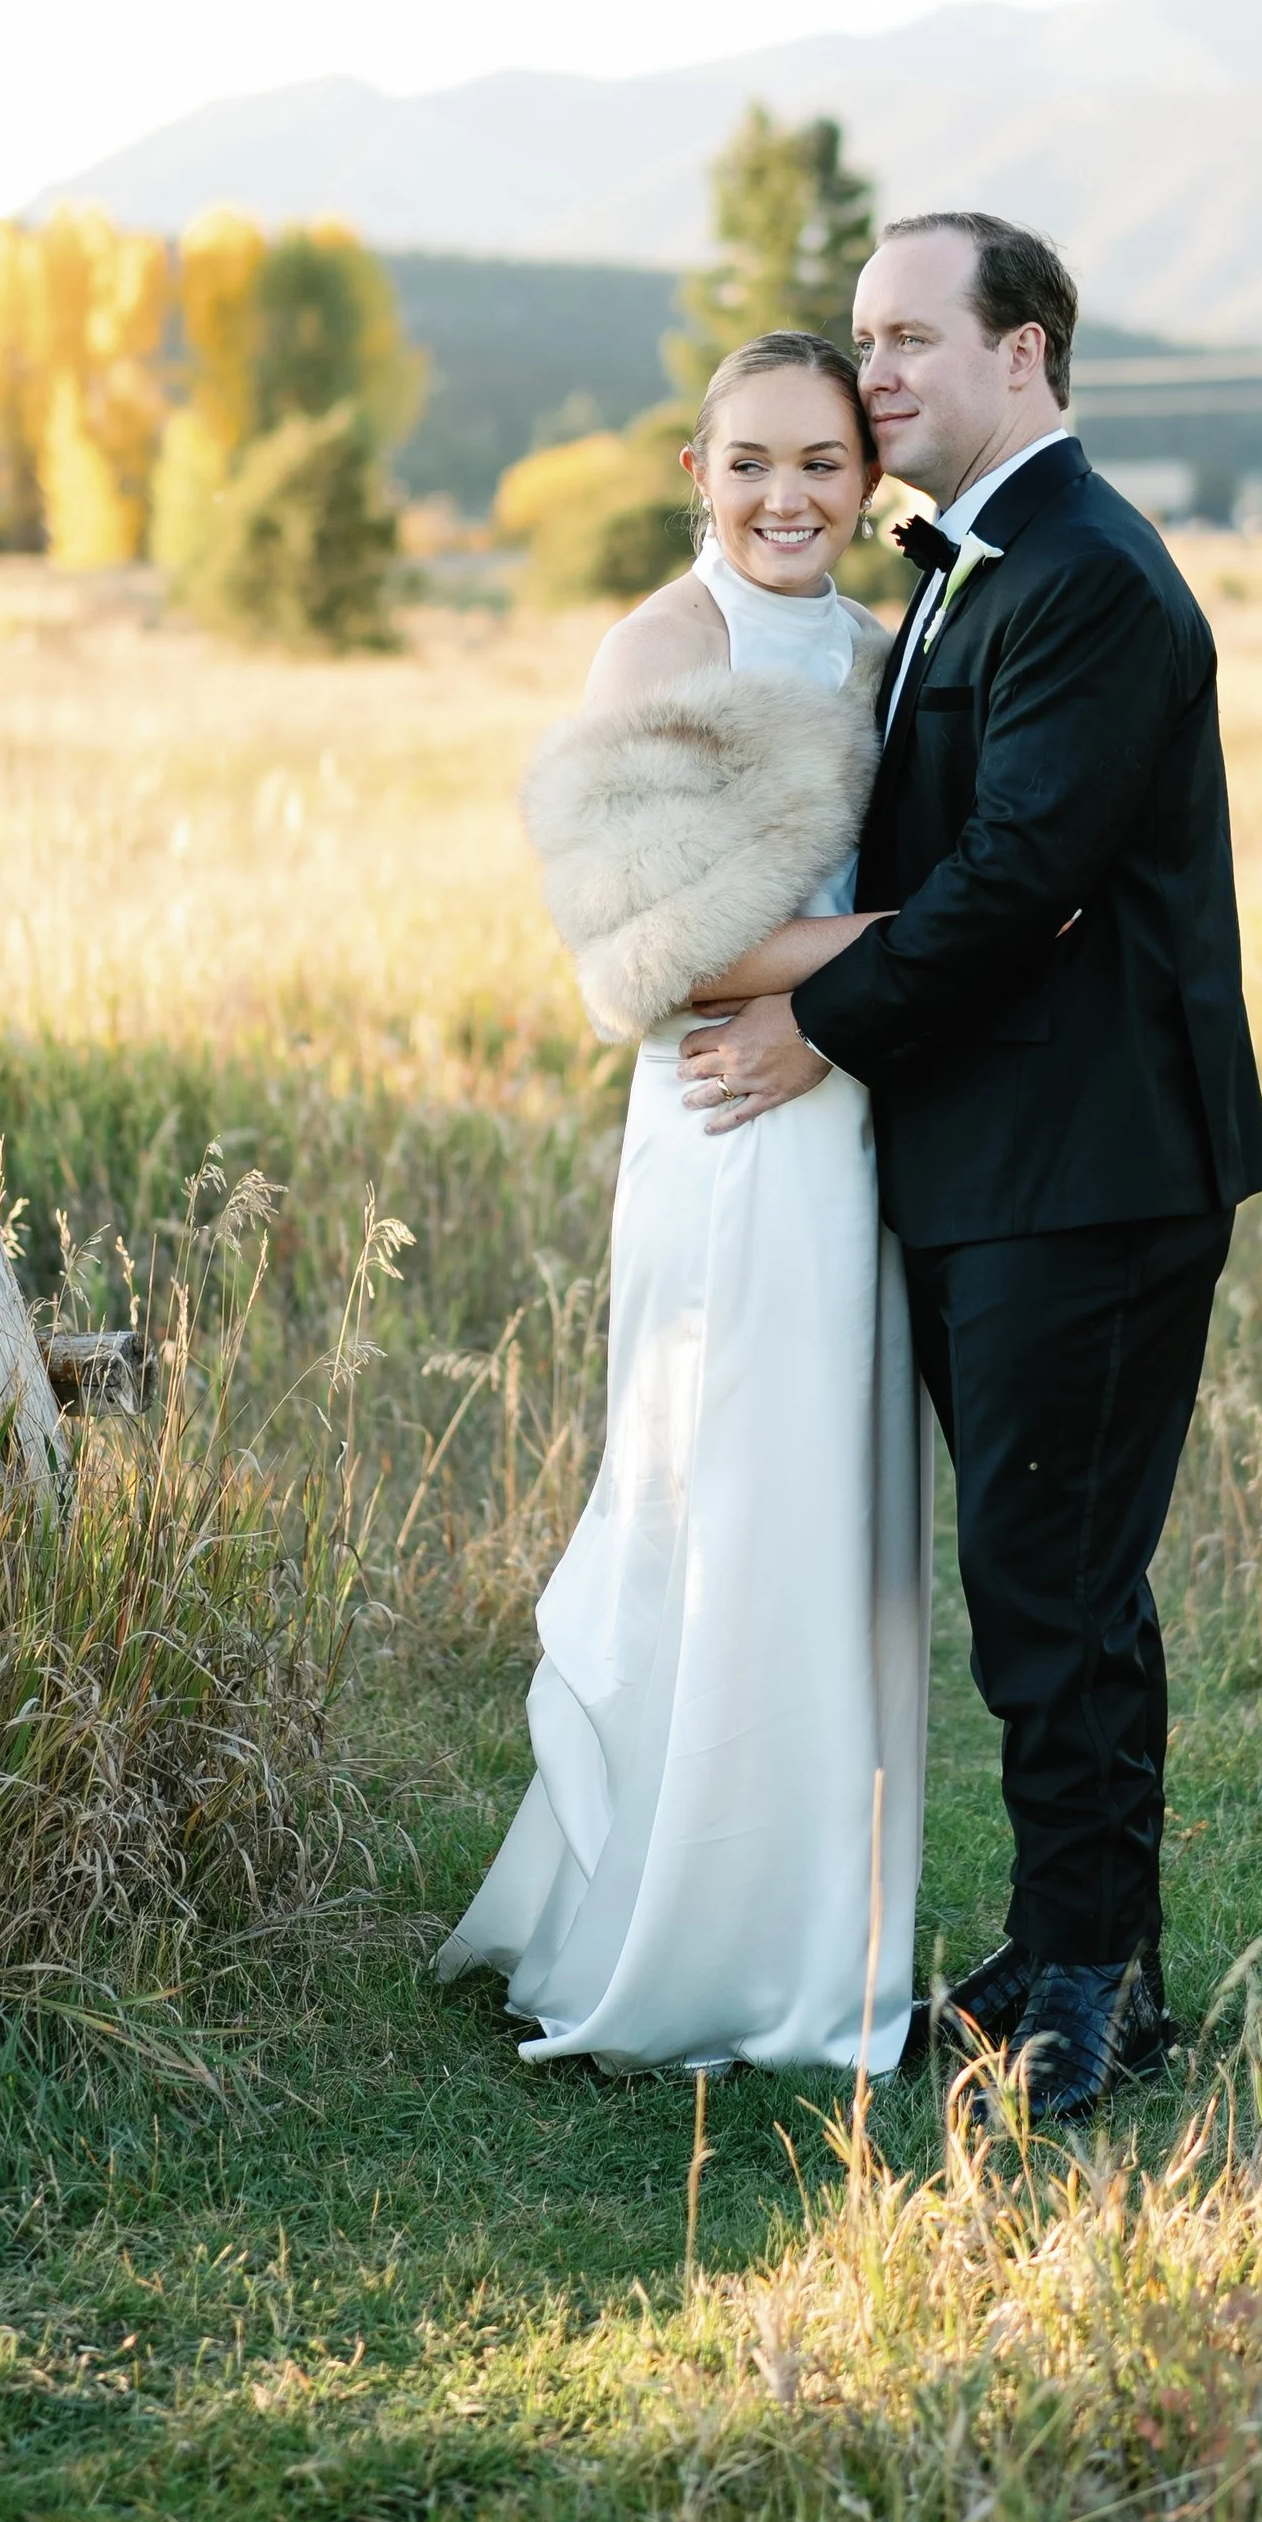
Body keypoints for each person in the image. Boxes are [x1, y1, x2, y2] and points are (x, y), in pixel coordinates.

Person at [678, 215, 1262, 2120]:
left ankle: (1096, 1982)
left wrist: (810, 1027)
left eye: (914, 338)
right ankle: (1061, 1934)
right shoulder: (975, 563)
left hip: (1090, 1167)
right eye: (865, 340)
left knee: (1060, 1588)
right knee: (1040, 1573)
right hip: (1003, 1160)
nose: (876, 378)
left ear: (1026, 354)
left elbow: (1022, 883)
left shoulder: (1090, 573)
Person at [437, 331, 933, 2074]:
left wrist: (864, 1000)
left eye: (822, 462)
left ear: (867, 479)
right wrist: (924, 951)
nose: (788, 498)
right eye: (752, 464)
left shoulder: (881, 645)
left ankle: (819, 1939)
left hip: (851, 1104)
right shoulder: (664, 643)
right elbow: (667, 944)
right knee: (719, 1485)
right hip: (727, 1124)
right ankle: (680, 1944)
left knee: (831, 1510)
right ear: (695, 474)